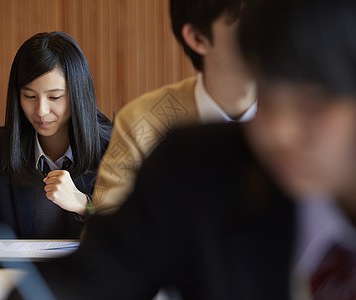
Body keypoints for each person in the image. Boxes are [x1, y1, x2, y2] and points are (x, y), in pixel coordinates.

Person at [26, 0, 356, 299]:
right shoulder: (192, 165)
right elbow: (76, 283)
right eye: (267, 99)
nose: (280, 133)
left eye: (312, 106)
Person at [0, 32, 112, 243]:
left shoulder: (114, 147)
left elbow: (135, 230)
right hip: (18, 274)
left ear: (78, 94)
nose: (41, 110)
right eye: (29, 96)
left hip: (91, 275)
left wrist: (83, 204)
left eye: (54, 97)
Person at [92, 0, 256, 214]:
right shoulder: (141, 123)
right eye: (249, 20)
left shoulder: (307, 116)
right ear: (198, 37)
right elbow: (108, 232)